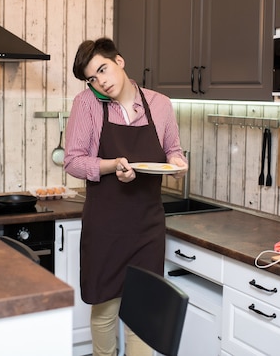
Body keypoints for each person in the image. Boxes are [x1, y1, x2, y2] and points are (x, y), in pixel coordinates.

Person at [64, 38, 188, 356]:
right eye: (92, 78)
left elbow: (172, 150)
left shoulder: (160, 104)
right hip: (105, 224)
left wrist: (177, 164)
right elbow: (73, 161)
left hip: (147, 225)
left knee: (143, 311)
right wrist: (111, 165)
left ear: (119, 61)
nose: (100, 82)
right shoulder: (87, 104)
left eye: (102, 69)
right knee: (105, 308)